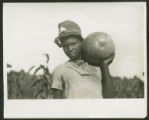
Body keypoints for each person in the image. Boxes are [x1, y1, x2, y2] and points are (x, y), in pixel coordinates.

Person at [51, 20, 114, 99]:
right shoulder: (59, 70)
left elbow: (110, 98)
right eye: (65, 46)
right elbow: (57, 104)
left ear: (82, 42)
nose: (70, 49)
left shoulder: (98, 66)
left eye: (73, 44)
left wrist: (104, 65)